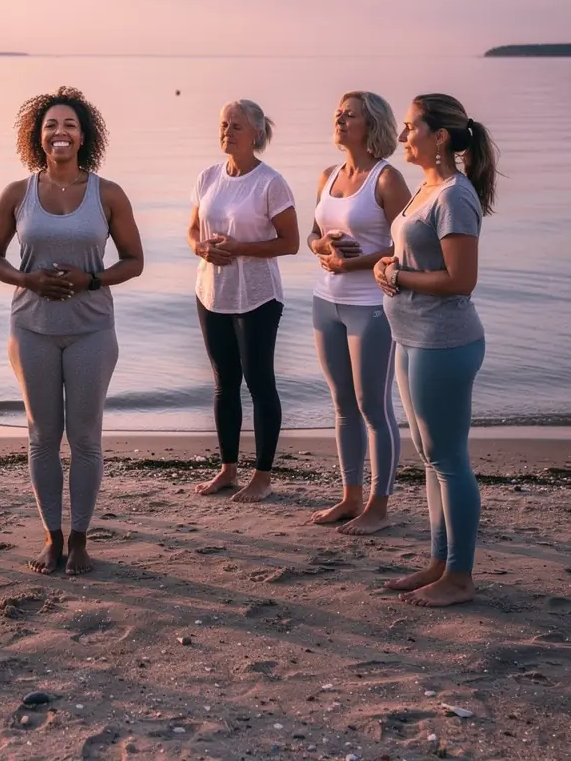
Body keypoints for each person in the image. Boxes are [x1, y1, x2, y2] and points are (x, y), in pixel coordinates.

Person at [0, 87, 144, 576]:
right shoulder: (17, 193)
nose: (60, 133)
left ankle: (80, 539)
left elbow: (134, 261)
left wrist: (92, 279)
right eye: (51, 125)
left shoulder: (107, 194)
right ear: (38, 135)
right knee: (42, 436)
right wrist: (25, 279)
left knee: (86, 437)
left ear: (84, 135)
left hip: (92, 328)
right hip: (31, 327)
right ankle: (51, 536)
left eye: (69, 125)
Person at [375, 94, 498, 607]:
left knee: (448, 459)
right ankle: (438, 561)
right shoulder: (426, 189)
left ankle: (461, 577)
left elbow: (460, 279)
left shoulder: (455, 195)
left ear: (439, 136)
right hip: (412, 337)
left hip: (444, 343)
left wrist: (398, 275)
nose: (403, 137)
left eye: (409, 129)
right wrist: (387, 264)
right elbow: (415, 253)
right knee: (430, 457)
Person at [308, 92, 411, 534]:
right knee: (342, 405)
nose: (339, 118)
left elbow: (408, 245)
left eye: (349, 114)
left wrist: (352, 262)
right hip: (325, 299)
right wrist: (325, 248)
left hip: (370, 305)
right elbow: (312, 237)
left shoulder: (387, 180)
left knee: (373, 405)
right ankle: (350, 496)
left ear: (371, 124)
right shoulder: (328, 175)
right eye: (338, 112)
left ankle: (378, 506)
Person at [189, 99, 299, 503]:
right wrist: (202, 248)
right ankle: (227, 469)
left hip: (257, 296)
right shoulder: (207, 177)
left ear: (256, 133)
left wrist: (241, 248)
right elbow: (192, 231)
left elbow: (290, 242)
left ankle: (263, 476)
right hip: (211, 293)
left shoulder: (271, 182)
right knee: (223, 385)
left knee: (259, 383)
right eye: (223, 124)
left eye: (236, 125)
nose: (227, 131)